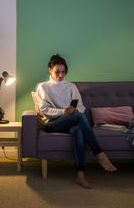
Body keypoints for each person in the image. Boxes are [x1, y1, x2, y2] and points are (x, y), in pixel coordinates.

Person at [36, 54, 117, 189]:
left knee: (78, 129)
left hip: (71, 120)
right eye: (57, 72)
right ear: (50, 70)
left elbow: (81, 107)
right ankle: (100, 154)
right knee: (79, 118)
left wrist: (75, 111)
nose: (60, 75)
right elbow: (44, 109)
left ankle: (80, 175)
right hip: (52, 123)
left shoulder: (71, 87)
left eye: (63, 72)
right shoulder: (43, 87)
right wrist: (63, 112)